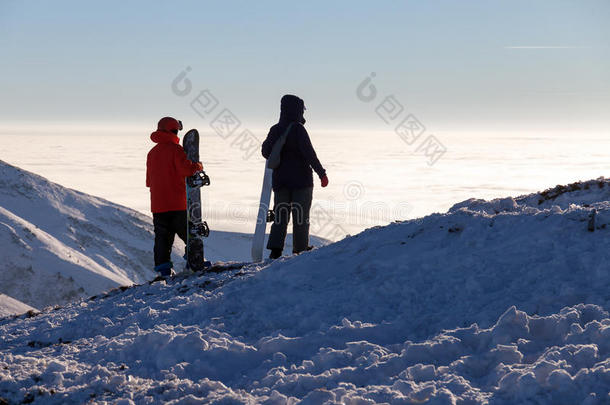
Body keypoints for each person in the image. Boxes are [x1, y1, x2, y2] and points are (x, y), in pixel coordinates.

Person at [262, 95, 328, 259]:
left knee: (280, 216)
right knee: (301, 216)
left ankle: (275, 251)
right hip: (301, 182)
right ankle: (300, 250)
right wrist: (322, 173)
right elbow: (310, 154)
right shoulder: (298, 129)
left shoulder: (275, 129)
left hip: (281, 182)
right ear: (297, 110)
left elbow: (265, 152)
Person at [146, 117, 203, 276]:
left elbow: (149, 181)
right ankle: (194, 261)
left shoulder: (152, 153)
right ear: (174, 130)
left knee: (162, 239)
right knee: (188, 233)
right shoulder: (176, 150)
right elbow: (186, 170)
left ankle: (163, 270)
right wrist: (198, 166)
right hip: (177, 203)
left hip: (158, 205)